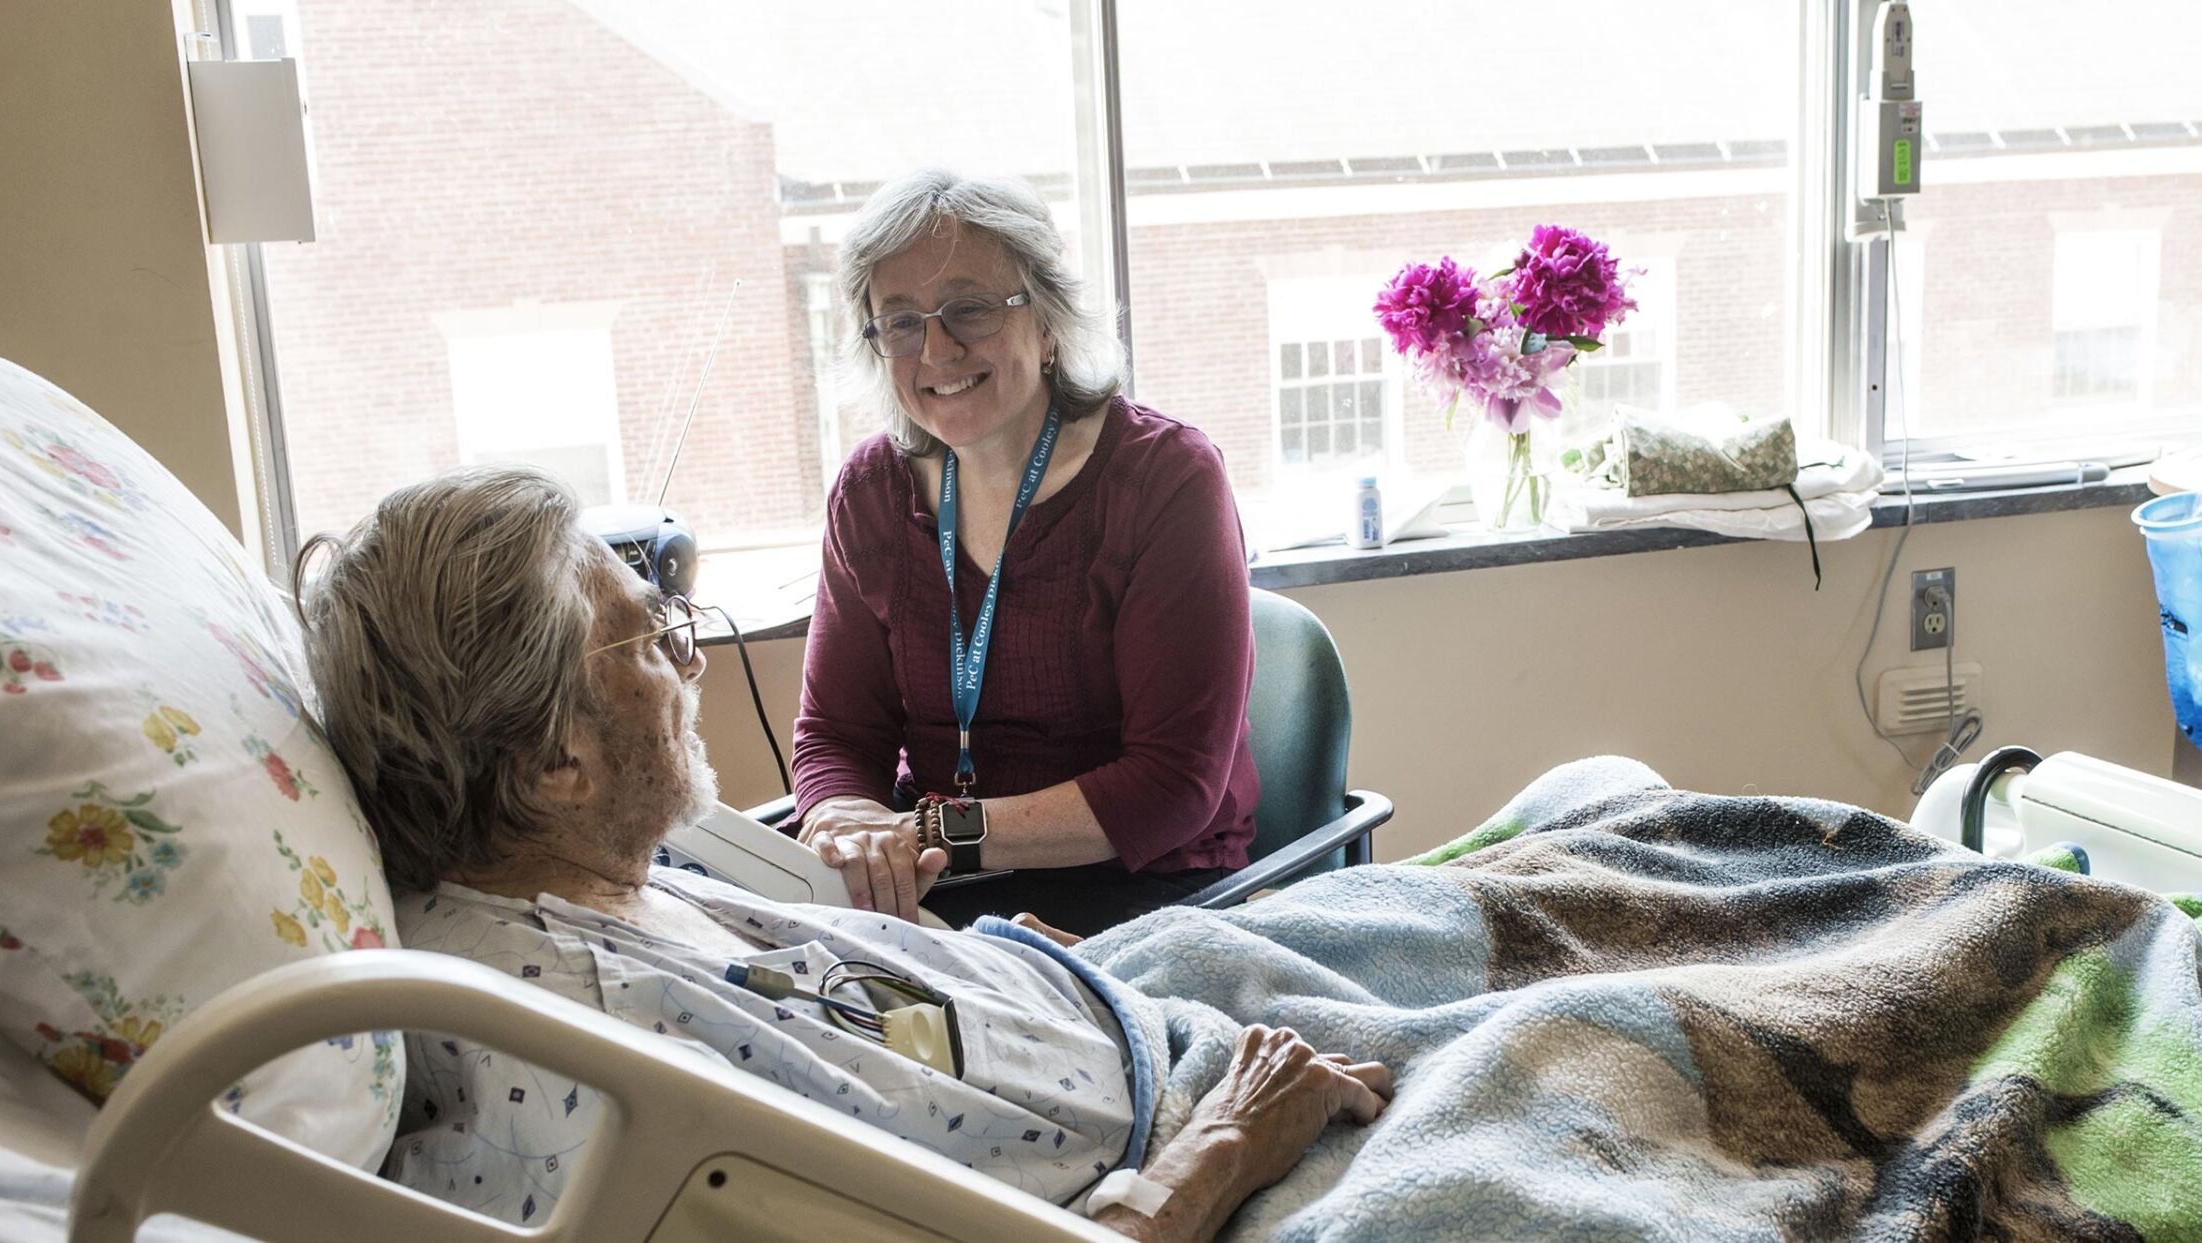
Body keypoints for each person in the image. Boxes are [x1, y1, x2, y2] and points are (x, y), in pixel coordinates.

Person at [296, 467, 1387, 1239]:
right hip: (1206, 1150)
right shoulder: (588, 1075)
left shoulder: (583, 881)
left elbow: (832, 1014)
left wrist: (982, 956)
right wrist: (1234, 1143)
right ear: (552, 765)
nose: (692, 665)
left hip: (1136, 1007)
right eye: (653, 639)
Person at [792, 168, 1260, 936]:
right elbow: (838, 734)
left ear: (1046, 321)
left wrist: (935, 834)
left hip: (1142, 892)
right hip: (940, 884)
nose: (936, 349)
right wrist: (845, 822)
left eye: (969, 309)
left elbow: (1173, 785)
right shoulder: (871, 493)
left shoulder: (1163, 479)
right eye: (901, 321)